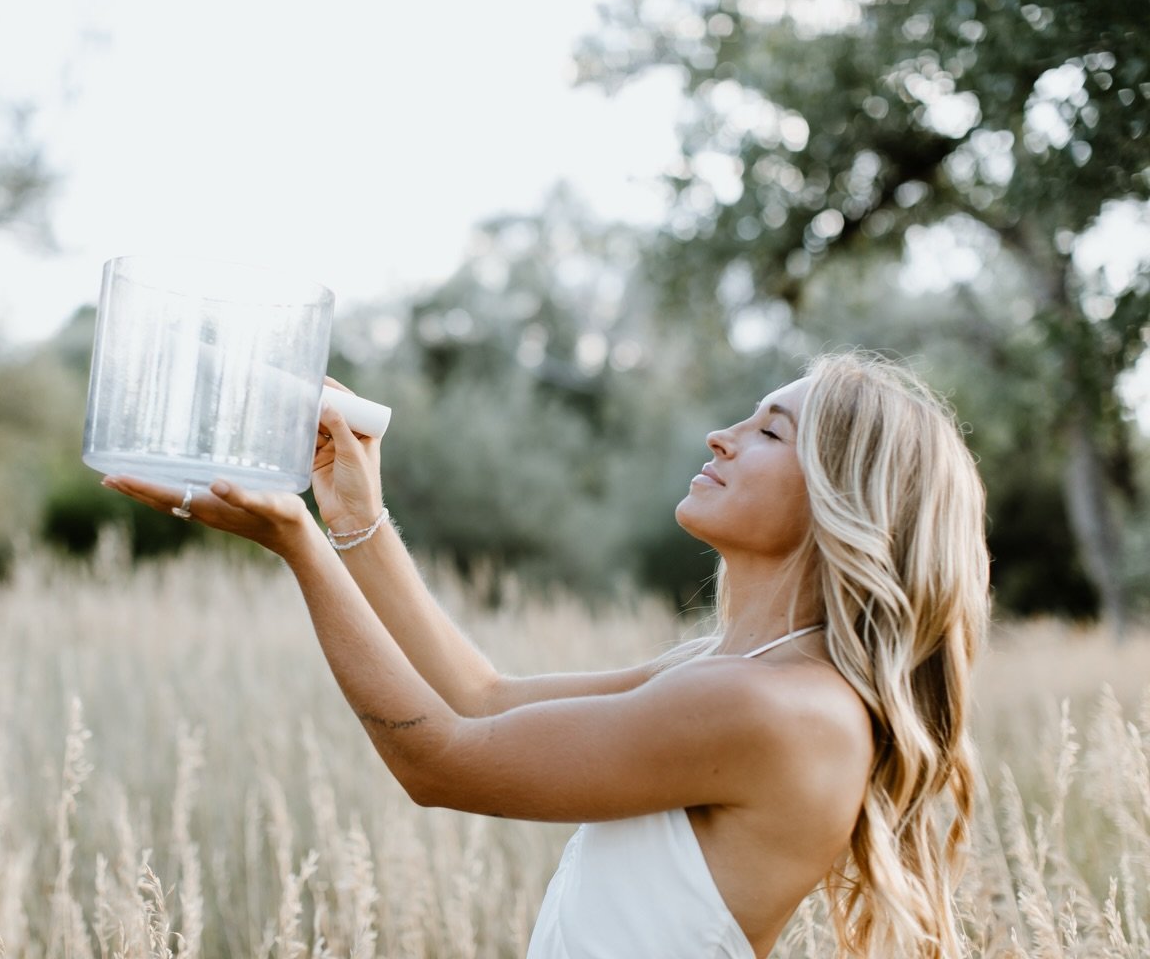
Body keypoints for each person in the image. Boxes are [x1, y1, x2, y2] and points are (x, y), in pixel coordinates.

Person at [101, 350, 989, 959]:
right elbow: (485, 700)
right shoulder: (729, 672)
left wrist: (297, 544)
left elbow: (441, 763)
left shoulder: (776, 709)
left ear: (846, 499)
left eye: (768, 432)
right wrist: (351, 517)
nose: (721, 435)